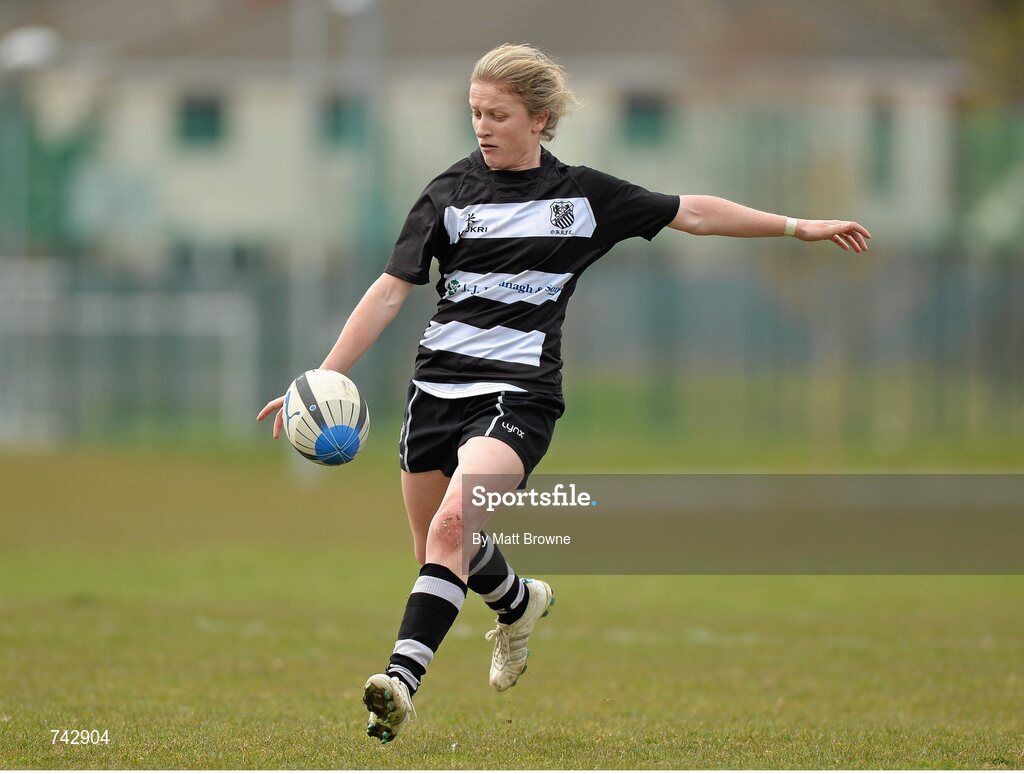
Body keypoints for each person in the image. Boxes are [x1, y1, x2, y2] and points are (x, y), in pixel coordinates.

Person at [257, 43, 871, 744]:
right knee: (439, 549)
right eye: (475, 113)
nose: (483, 127)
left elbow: (692, 213)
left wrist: (798, 227)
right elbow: (391, 291)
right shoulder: (448, 195)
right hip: (434, 393)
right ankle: (519, 605)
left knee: (453, 531)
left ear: (540, 120)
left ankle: (398, 683)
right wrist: (326, 375)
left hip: (518, 396)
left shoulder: (582, 198)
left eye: (498, 114)